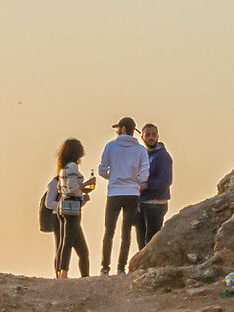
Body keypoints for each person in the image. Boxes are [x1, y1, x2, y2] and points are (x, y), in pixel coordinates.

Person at [97, 117, 150, 275]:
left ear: (123, 129)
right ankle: (121, 267)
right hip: (132, 193)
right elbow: (145, 172)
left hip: (114, 192)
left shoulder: (111, 146)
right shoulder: (140, 150)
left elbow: (101, 170)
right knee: (126, 232)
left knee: (109, 231)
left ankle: (105, 267)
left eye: (118, 128)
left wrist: (113, 177)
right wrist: (137, 181)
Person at [47, 138, 95, 279]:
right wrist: (88, 183)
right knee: (68, 243)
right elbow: (73, 188)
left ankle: (62, 273)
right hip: (72, 209)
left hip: (63, 208)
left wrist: (83, 191)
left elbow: (64, 188)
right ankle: (65, 274)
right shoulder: (73, 167)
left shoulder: (63, 169)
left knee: (67, 243)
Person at [138, 123, 174, 247]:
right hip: (142, 203)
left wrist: (146, 186)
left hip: (156, 204)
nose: (151, 137)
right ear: (142, 137)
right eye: (147, 135)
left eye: (153, 135)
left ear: (158, 136)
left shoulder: (163, 156)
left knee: (151, 242)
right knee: (141, 242)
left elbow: (166, 181)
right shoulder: (143, 156)